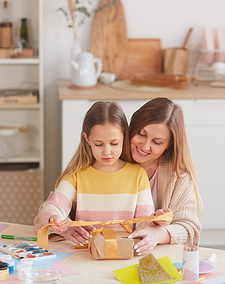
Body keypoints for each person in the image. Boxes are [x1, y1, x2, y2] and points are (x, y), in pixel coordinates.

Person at [35, 101, 154, 245]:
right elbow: (53, 206)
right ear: (87, 139)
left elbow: (145, 223)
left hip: (124, 254)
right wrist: (54, 219)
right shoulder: (76, 176)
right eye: (99, 144)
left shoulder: (138, 175)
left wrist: (157, 224)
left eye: (114, 143)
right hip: (84, 254)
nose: (107, 151)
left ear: (124, 137)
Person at [127, 97, 202, 256]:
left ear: (168, 145)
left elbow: (190, 229)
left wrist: (159, 234)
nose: (145, 146)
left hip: (156, 256)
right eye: (141, 133)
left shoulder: (178, 174)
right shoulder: (108, 158)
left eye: (157, 142)